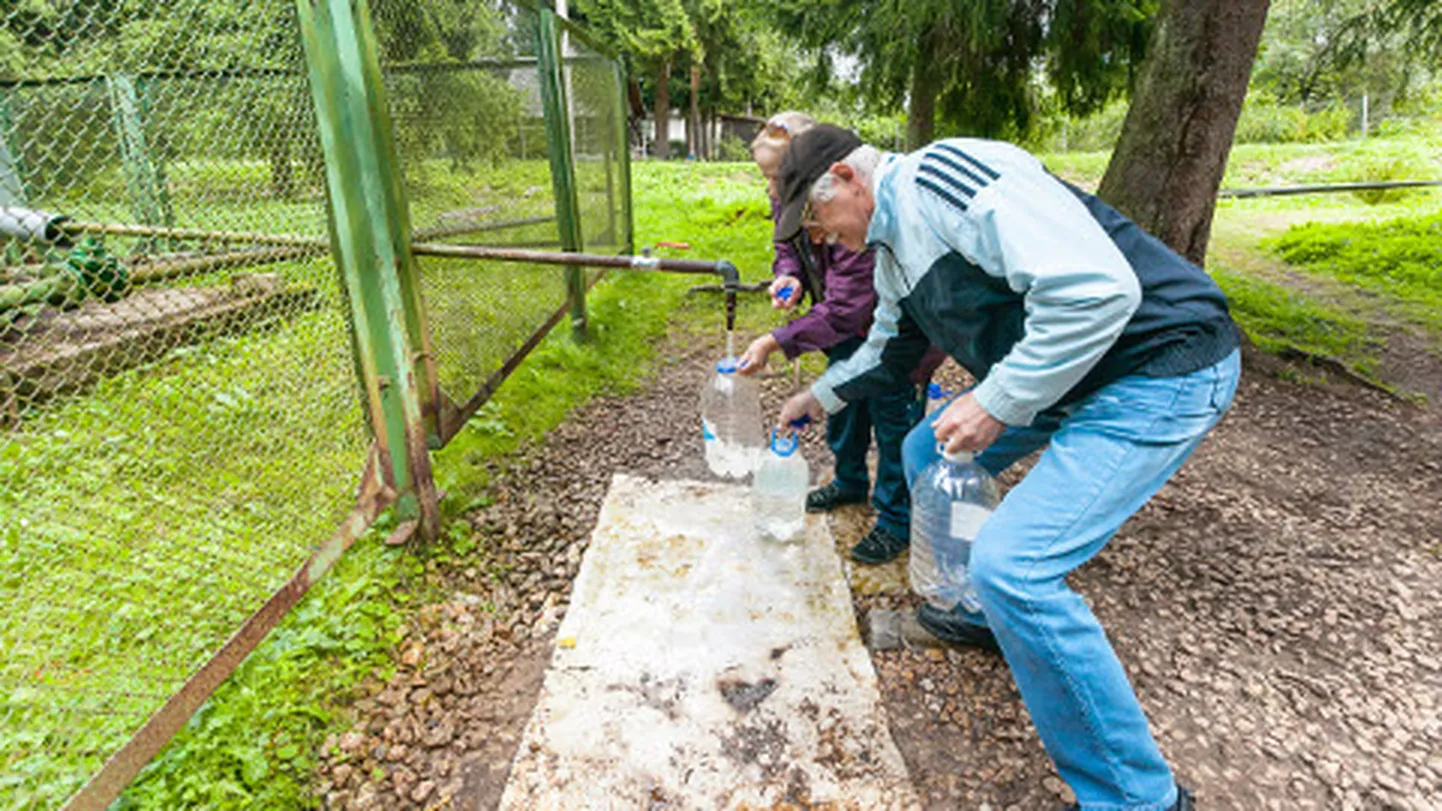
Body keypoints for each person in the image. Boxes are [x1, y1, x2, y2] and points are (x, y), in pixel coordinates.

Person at [775, 125, 1239, 811]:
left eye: (816, 219)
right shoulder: (892, 248)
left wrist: (996, 399)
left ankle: (1138, 795)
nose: (819, 238)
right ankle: (979, 609)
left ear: (846, 176)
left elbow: (1097, 291)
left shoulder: (947, 181)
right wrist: (816, 397)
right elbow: (889, 351)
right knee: (926, 449)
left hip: (1156, 363)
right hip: (1072, 371)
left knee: (1014, 565)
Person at [737, 112, 926, 564]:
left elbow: (848, 306)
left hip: (895, 334)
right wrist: (790, 276)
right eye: (765, 178)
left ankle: (896, 518)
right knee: (842, 405)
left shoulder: (858, 215)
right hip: (836, 325)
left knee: (894, 419)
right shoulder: (793, 196)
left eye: (775, 177)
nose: (770, 190)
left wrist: (776, 341)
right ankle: (848, 481)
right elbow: (789, 247)